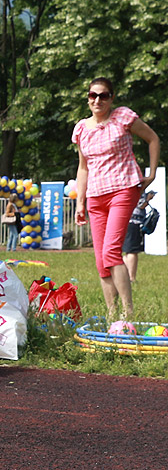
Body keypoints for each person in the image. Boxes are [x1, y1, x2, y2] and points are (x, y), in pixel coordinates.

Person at [73, 77, 160, 320]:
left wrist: (151, 174)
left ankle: (128, 314)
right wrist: (80, 201)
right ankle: (112, 316)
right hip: (95, 196)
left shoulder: (123, 117)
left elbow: (153, 138)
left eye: (103, 95)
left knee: (112, 252)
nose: (97, 100)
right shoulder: (81, 128)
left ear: (112, 98)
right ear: (88, 98)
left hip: (123, 189)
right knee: (101, 260)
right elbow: (83, 167)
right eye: (93, 95)